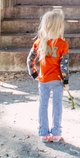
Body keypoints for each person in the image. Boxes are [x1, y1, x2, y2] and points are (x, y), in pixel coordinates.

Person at [27, 9, 70, 143]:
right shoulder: (63, 44)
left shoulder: (39, 42)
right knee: (57, 106)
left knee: (43, 105)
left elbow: (30, 59)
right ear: (59, 26)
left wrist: (34, 73)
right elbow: (64, 66)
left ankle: (43, 133)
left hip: (43, 79)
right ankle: (56, 133)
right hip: (57, 80)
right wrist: (66, 81)